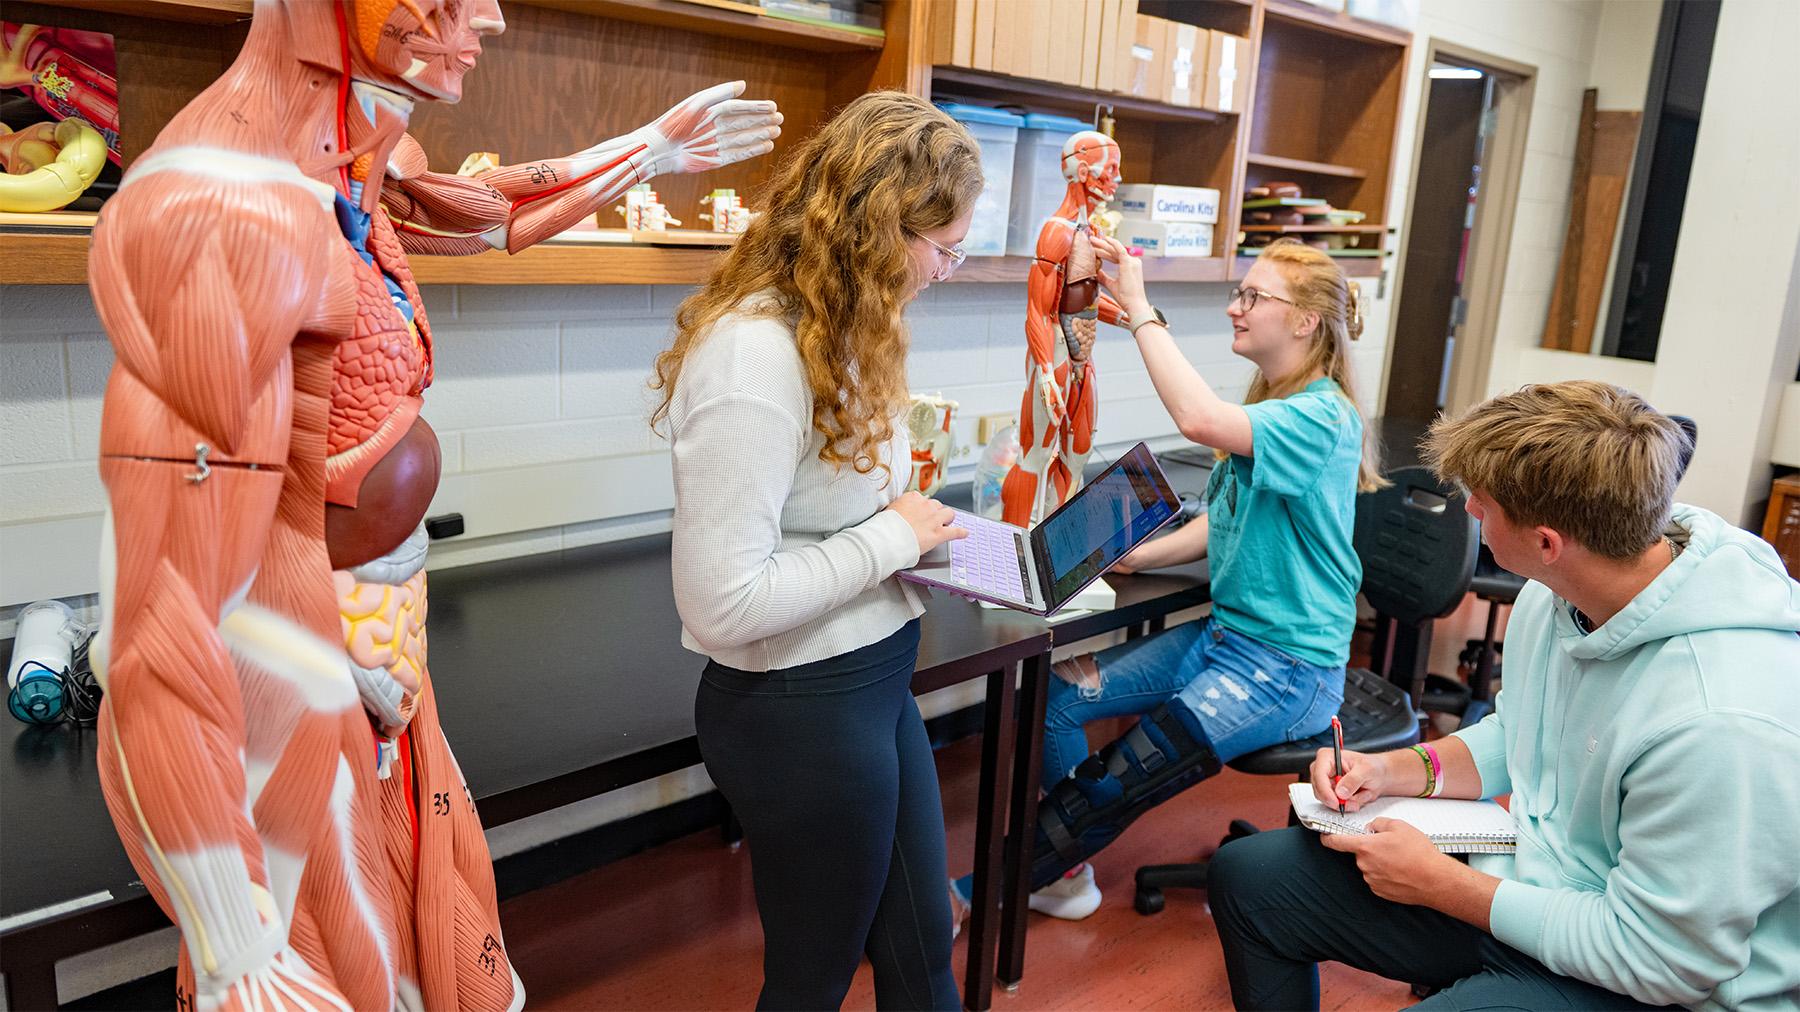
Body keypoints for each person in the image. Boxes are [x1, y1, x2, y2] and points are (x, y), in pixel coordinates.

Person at [1209, 380, 1800, 1011]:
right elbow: (1522, 731)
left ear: (1547, 541)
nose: (1468, 513)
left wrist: (1442, 885)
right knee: (1250, 877)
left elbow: (1663, 960)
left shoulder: (1719, 723)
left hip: (1661, 983)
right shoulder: (1558, 592)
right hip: (1545, 896)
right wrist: (1391, 770)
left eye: (1482, 503)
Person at [652, 91, 981, 1011]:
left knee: (924, 959)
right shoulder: (754, 357)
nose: (946, 270)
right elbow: (722, 603)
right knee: (812, 979)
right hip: (797, 706)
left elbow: (837, 516)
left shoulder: (843, 323)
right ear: (880, 228)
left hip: (871, 682)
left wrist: (937, 542)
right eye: (942, 248)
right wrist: (892, 536)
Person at [952, 237, 1387, 925]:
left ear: (1304, 321)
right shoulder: (1276, 403)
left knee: (1114, 782)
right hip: (1226, 639)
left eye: (1252, 297)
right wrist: (1139, 558)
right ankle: (1061, 865)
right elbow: (1227, 521)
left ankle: (969, 898)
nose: (1234, 307)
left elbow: (1197, 418)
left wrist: (1146, 312)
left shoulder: (1321, 416)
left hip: (1286, 670)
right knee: (1057, 700)